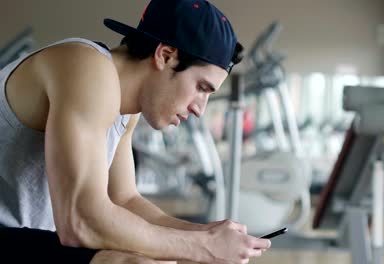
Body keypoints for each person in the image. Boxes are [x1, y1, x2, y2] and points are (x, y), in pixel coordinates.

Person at [0, 0, 271, 263]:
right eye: (202, 87)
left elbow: (124, 200)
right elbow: (80, 221)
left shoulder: (125, 107)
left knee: (158, 256)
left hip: (23, 240)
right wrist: (201, 248)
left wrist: (207, 234)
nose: (200, 108)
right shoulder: (85, 67)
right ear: (165, 55)